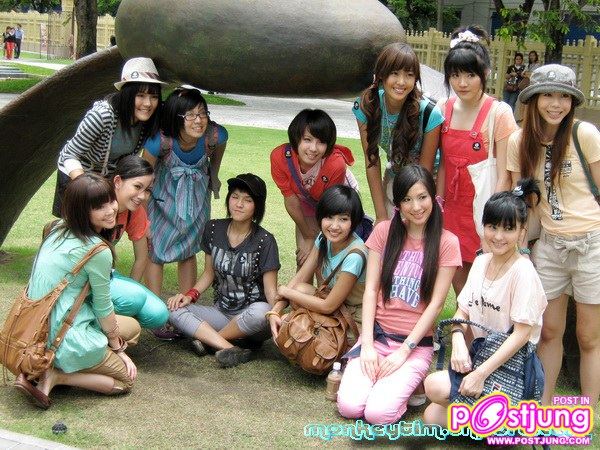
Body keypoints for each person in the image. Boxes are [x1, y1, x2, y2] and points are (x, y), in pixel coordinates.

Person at [336, 164, 461, 425]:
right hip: (377, 337)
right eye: (407, 199)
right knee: (349, 407)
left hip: (413, 346)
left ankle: (408, 386)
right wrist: (366, 345)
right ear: (398, 204)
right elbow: (371, 290)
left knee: (377, 414)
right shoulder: (384, 231)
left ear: (433, 197)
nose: (416, 207)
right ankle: (391, 384)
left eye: (422, 197)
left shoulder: (447, 242)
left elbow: (436, 305)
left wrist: (403, 352)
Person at [507, 64, 600, 408]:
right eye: (547, 95)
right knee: (548, 332)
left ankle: (585, 414)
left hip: (591, 243)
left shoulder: (584, 134)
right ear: (533, 99)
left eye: (564, 96)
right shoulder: (519, 141)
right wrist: (518, 248)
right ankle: (543, 409)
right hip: (549, 246)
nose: (556, 104)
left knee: (588, 336)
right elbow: (521, 202)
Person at [423, 179, 547, 426]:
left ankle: (507, 420)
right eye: (492, 227)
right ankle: (494, 424)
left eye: (508, 229)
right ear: (483, 226)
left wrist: (479, 374)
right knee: (432, 417)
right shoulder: (481, 263)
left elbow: (521, 335)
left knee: (434, 386)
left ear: (522, 232)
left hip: (513, 368)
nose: (498, 236)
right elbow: (462, 311)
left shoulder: (523, 272)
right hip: (482, 356)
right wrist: (458, 340)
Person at [14, 173, 140, 409]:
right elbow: (103, 307)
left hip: (31, 331)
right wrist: (118, 349)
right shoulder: (97, 251)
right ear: (82, 211)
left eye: (111, 201)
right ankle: (57, 375)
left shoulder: (54, 229)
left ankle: (47, 366)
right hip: (63, 338)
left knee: (130, 328)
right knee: (125, 380)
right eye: (99, 207)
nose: (111, 210)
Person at [436, 25, 518, 295]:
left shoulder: (499, 112)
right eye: (455, 75)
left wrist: (492, 221)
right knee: (459, 282)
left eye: (470, 75)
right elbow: (443, 164)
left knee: (486, 285)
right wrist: (438, 207)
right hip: (450, 210)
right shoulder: (443, 108)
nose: (462, 83)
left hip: (483, 209)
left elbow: (505, 174)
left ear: (485, 73)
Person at [167, 174, 280, 368]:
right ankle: (230, 347)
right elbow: (208, 274)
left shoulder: (264, 240)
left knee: (261, 312)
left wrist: (276, 314)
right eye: (235, 197)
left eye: (248, 200)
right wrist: (190, 295)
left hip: (251, 320)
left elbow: (270, 291)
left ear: (257, 206)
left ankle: (207, 340)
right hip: (221, 313)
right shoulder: (213, 228)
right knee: (173, 310)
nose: (239, 204)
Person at [143, 85, 227, 304]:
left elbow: (221, 143)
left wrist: (214, 172)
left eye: (202, 113)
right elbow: (141, 179)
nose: (198, 120)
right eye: (190, 115)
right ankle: (154, 310)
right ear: (175, 117)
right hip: (162, 199)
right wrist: (143, 220)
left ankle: (186, 307)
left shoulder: (213, 136)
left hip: (196, 201)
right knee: (155, 251)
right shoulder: (159, 142)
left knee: (189, 249)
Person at [54, 57, 165, 217]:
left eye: (154, 97)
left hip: (107, 179)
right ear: (127, 94)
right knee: (77, 225)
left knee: (104, 225)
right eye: (140, 95)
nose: (148, 103)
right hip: (77, 175)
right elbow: (69, 155)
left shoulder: (147, 121)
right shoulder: (102, 116)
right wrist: (88, 188)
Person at [353, 43, 444, 221]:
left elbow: (423, 170)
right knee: (386, 230)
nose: (401, 82)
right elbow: (372, 161)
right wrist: (380, 215)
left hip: (427, 182)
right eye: (394, 73)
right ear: (381, 74)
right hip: (395, 175)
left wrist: (412, 210)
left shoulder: (429, 113)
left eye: (409, 75)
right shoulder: (366, 106)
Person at [267, 185, 367, 341]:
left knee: (289, 327)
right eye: (329, 217)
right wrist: (275, 311)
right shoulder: (324, 238)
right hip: (333, 308)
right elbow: (301, 277)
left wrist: (286, 292)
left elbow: (328, 306)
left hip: (351, 318)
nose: (334, 226)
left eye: (343, 219)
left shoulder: (355, 256)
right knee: (298, 292)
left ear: (354, 221)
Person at [270, 109, 358, 267]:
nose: (313, 148)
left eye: (321, 142)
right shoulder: (280, 157)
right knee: (304, 258)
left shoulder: (336, 164)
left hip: (336, 204)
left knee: (322, 259)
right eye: (307, 139)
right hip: (305, 200)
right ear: (296, 138)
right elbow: (291, 200)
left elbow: (329, 209)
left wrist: (315, 241)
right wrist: (307, 235)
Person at [108, 155, 169, 330]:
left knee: (159, 313)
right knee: (133, 298)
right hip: (81, 276)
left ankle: (109, 322)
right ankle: (87, 322)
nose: (142, 196)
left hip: (106, 273)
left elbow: (142, 258)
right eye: (137, 186)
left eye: (147, 190)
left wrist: (130, 287)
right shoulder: (98, 203)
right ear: (118, 181)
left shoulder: (134, 210)